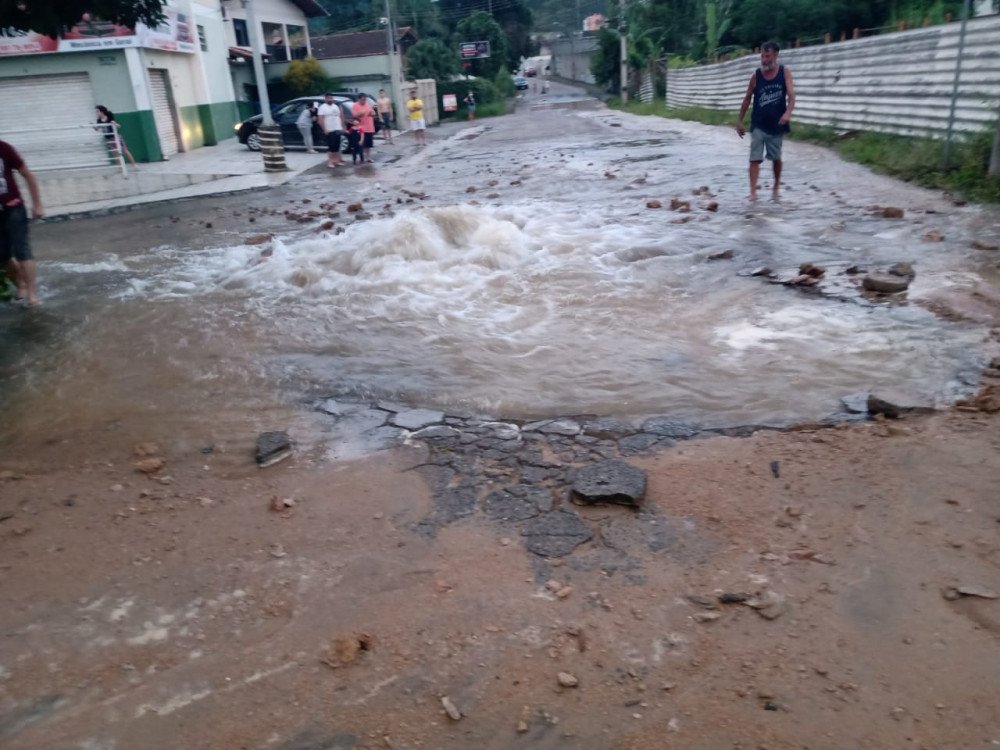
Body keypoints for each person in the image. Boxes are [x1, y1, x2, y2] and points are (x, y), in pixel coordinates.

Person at [736, 41, 795, 201]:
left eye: (767, 56)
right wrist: (740, 121)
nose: (764, 59)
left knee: (776, 157)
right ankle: (753, 192)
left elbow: (791, 96)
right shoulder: (756, 76)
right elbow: (747, 98)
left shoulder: (784, 73)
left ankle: (776, 186)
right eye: (762, 56)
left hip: (777, 124)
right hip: (758, 124)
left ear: (775, 56)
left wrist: (788, 113)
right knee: (754, 157)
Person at [0, 140, 44, 306]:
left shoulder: (4, 148)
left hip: (13, 209)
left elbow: (28, 175)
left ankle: (32, 294)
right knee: (2, 256)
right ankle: (20, 284)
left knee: (22, 250)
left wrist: (37, 204)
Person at [316, 92, 345, 168]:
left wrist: (341, 127)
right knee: (331, 147)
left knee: (337, 146)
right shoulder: (322, 107)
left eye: (331, 98)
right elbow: (320, 119)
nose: (330, 99)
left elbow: (340, 117)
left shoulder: (335, 106)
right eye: (328, 98)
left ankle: (337, 161)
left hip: (337, 128)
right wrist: (325, 129)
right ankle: (330, 162)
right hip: (329, 129)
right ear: (325, 99)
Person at [351, 93, 377, 163]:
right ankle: (361, 157)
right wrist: (362, 112)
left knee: (368, 144)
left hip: (369, 127)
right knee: (362, 144)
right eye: (362, 100)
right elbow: (354, 115)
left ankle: (368, 157)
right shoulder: (355, 105)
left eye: (365, 100)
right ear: (358, 99)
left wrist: (372, 113)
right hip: (361, 128)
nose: (364, 101)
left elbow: (373, 113)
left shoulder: (368, 104)